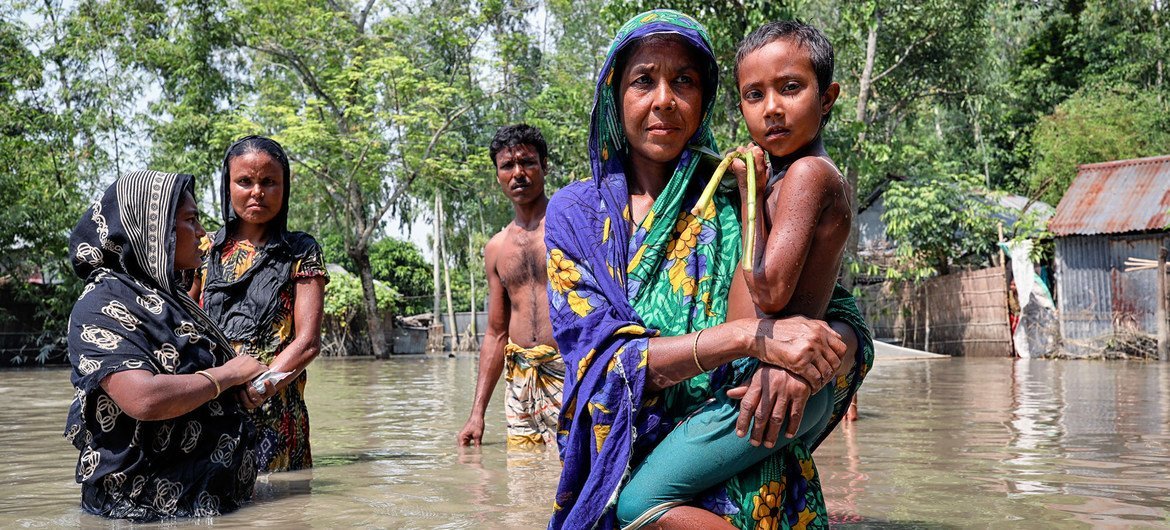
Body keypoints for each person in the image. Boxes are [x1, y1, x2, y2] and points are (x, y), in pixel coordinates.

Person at [543, 10, 874, 529]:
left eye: (684, 81)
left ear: (705, 99)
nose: (663, 100)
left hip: (745, 428)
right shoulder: (578, 217)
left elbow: (837, 313)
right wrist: (752, 339)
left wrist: (795, 369)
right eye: (643, 81)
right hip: (634, 460)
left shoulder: (737, 190)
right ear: (614, 93)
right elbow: (600, 359)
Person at [64, 170, 271, 521]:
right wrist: (227, 374)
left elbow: (192, 378)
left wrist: (239, 388)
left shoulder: (168, 298)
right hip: (143, 511)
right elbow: (143, 398)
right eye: (191, 221)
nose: (203, 234)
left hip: (203, 504)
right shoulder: (101, 304)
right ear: (152, 230)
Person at [192, 136, 328, 472]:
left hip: (276, 407)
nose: (257, 192)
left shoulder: (301, 250)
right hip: (212, 404)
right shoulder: (203, 248)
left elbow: (308, 342)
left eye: (269, 182)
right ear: (227, 187)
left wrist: (262, 384)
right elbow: (187, 323)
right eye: (245, 181)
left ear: (284, 188)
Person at [457, 124, 565, 449]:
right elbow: (495, 333)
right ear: (498, 176)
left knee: (572, 479)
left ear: (544, 166)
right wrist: (476, 414)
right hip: (520, 381)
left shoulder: (570, 227)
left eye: (528, 162)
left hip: (569, 371)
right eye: (507, 166)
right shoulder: (497, 248)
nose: (518, 173)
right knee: (522, 480)